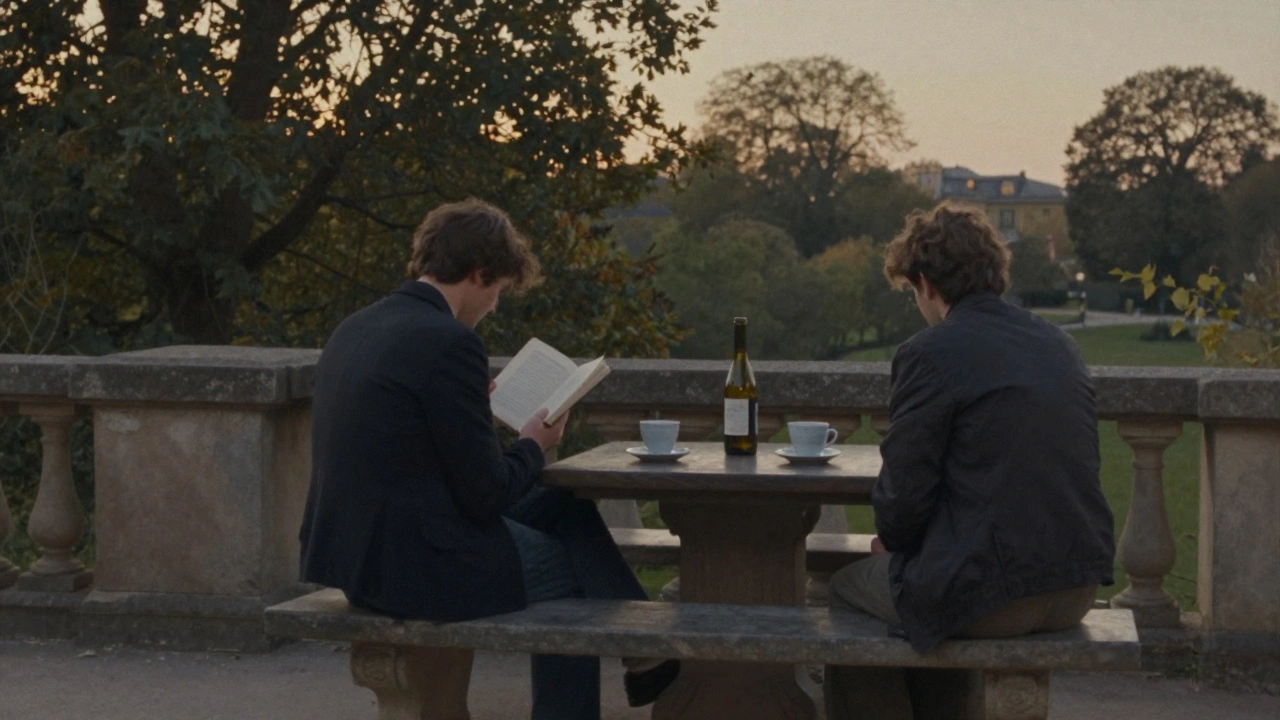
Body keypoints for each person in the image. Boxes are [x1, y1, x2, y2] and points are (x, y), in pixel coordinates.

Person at [298, 198, 678, 720]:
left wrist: (473, 406)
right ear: (478, 274)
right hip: (411, 565)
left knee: (561, 506)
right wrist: (533, 442)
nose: (495, 306)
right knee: (570, 578)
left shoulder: (357, 327)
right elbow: (487, 496)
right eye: (497, 291)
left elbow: (411, 443)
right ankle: (636, 655)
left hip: (348, 552)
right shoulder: (449, 342)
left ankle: (647, 648)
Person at [825, 202, 1116, 719]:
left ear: (926, 283)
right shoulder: (1059, 344)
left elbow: (901, 502)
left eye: (914, 291)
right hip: (1075, 585)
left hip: (997, 595)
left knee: (848, 590)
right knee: (932, 587)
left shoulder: (930, 352)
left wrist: (891, 546)